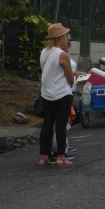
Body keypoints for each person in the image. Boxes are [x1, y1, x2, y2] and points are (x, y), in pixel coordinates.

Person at [38, 23, 75, 169]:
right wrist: (72, 79)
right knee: (60, 126)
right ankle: (60, 157)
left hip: (46, 94)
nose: (67, 38)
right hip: (62, 94)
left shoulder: (44, 52)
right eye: (65, 35)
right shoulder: (62, 54)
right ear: (60, 37)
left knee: (47, 125)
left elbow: (47, 71)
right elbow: (69, 77)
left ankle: (43, 156)